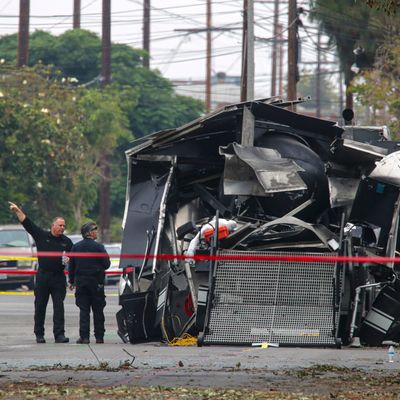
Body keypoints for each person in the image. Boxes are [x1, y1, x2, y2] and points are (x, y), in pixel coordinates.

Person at [8, 201, 72, 344]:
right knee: (40, 306)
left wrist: (70, 265)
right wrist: (17, 210)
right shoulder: (42, 235)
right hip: (43, 276)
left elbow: (73, 258)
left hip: (58, 277)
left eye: (64, 226)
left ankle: (59, 335)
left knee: (59, 307)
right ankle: (39, 334)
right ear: (53, 226)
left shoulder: (67, 242)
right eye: (60, 225)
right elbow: (27, 223)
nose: (63, 228)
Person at [68, 221, 110, 344]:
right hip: (96, 283)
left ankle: (84, 337)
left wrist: (71, 281)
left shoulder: (76, 247)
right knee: (98, 311)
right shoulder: (99, 247)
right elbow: (107, 264)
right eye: (95, 230)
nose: (96, 232)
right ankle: (99, 337)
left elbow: (72, 266)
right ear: (89, 233)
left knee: (84, 310)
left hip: (81, 283)